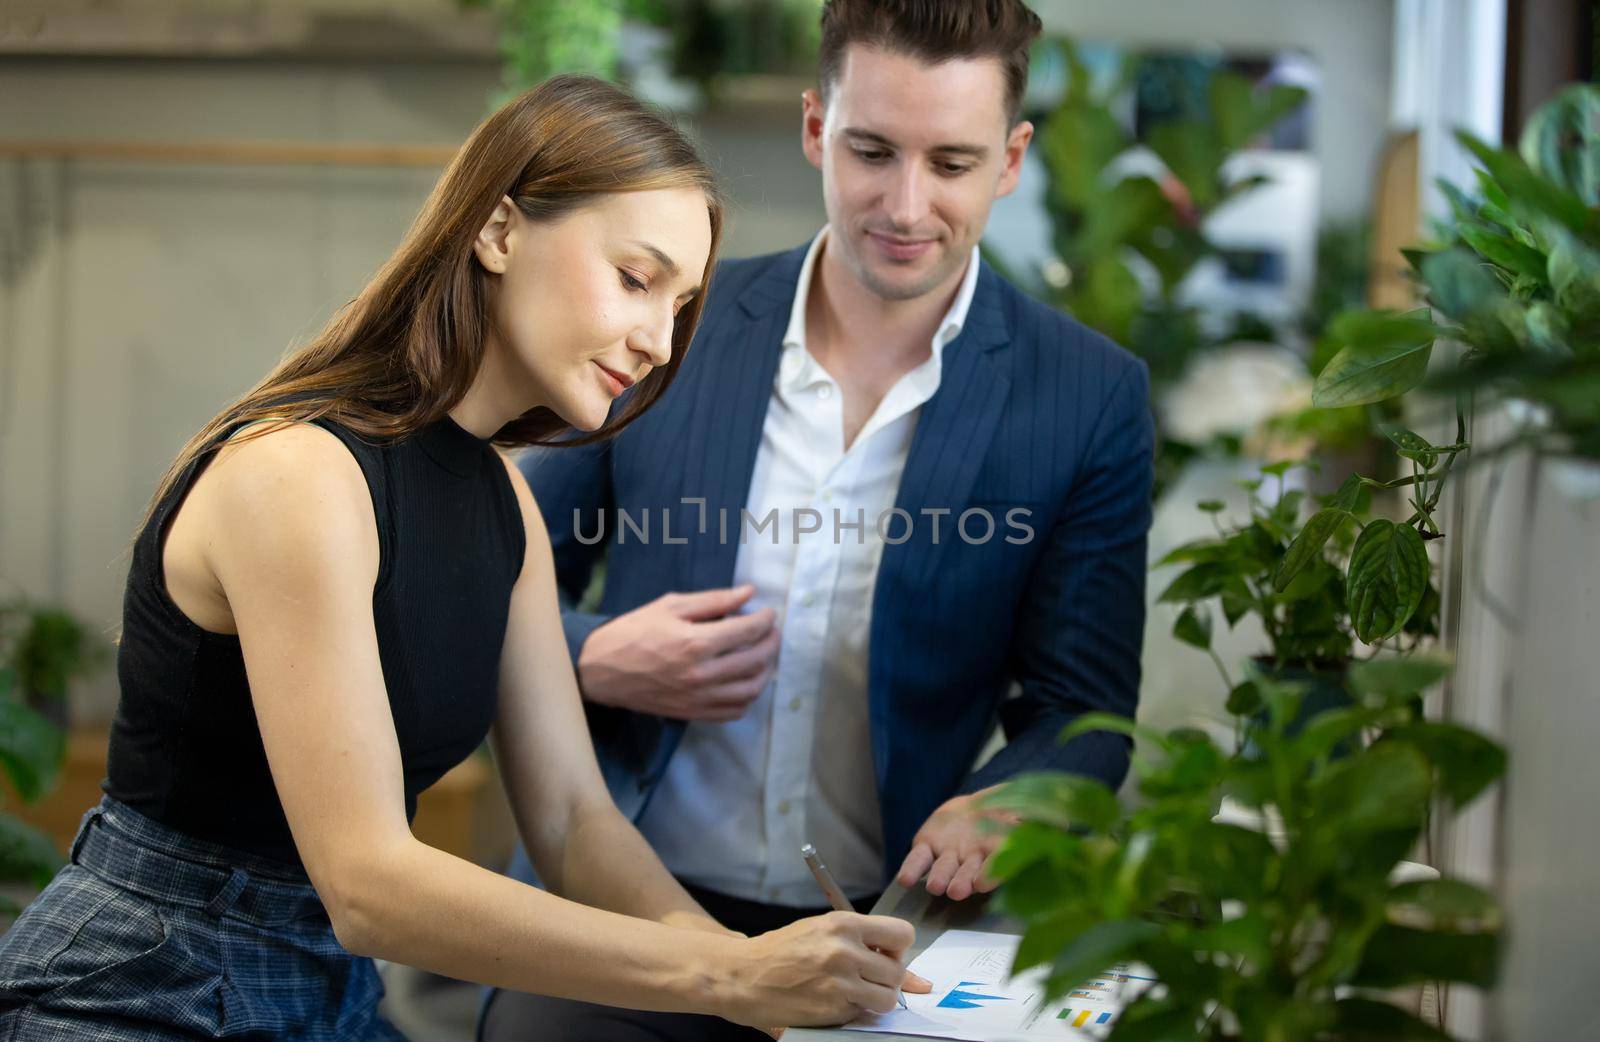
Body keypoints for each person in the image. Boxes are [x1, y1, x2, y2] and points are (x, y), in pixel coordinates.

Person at [0, 75, 925, 1041]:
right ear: (496, 230)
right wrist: (725, 971)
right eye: (635, 278)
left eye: (682, 304)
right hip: (142, 986)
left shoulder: (505, 506)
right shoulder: (298, 475)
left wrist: (749, 991)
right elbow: (367, 883)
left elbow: (572, 820)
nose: (659, 342)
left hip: (336, 992)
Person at [481, 2, 1156, 1040]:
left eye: (952, 162)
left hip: (886, 940)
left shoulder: (1086, 396)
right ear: (814, 128)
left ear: (1011, 159)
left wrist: (1012, 800)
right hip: (617, 919)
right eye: (871, 150)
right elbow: (489, 577)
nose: (904, 203)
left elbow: (1082, 708)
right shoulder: (664, 324)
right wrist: (593, 654)